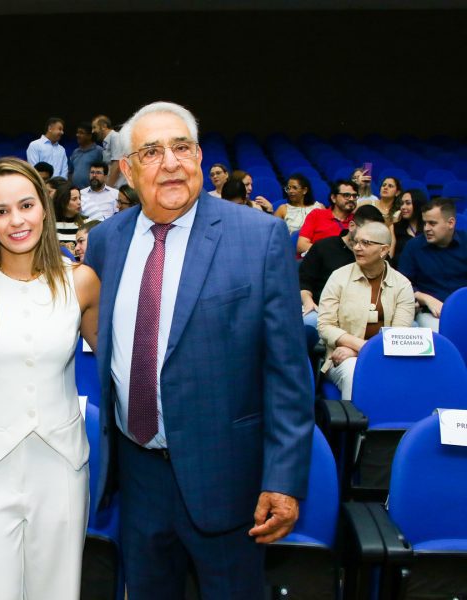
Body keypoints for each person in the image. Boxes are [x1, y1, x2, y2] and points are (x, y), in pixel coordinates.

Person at [84, 101, 312, 599]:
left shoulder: (259, 237)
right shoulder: (106, 241)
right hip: (138, 474)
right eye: (151, 151)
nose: (170, 162)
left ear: (200, 156)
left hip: (228, 478)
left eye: (181, 147)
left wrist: (283, 479)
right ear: (127, 171)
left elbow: (288, 374)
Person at [0, 157, 100, 600]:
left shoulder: (81, 282)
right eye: (1, 211)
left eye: (26, 205)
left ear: (45, 208)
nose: (16, 221)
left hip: (61, 466)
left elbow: (121, 365)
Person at [317, 222, 416, 399]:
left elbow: (398, 336)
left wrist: (360, 350)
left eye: (365, 243)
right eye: (356, 242)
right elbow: (325, 326)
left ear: (384, 250)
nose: (357, 247)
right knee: (355, 371)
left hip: (387, 357)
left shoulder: (402, 285)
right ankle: (353, 418)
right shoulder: (338, 277)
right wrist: (364, 349)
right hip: (341, 358)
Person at [299, 205, 385, 333]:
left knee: (411, 326)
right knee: (310, 321)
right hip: (324, 310)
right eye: (367, 231)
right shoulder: (323, 247)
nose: (370, 238)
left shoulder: (378, 253)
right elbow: (303, 281)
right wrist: (308, 302)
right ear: (352, 226)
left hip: (365, 313)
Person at [397, 197, 467, 331]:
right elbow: (402, 285)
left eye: (432, 223)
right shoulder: (413, 247)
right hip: (431, 313)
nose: (426, 228)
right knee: (443, 332)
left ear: (451, 223)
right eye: (424, 223)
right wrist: (424, 298)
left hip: (463, 307)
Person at [296, 179, 358, 254]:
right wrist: (331, 251)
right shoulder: (316, 214)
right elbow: (301, 246)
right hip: (318, 258)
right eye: (346, 195)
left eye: (354, 196)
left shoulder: (358, 220)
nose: (352, 199)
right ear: (333, 198)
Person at [390, 188, 427, 265]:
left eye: (408, 203)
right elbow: (390, 256)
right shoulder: (394, 227)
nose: (403, 207)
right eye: (402, 203)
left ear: (418, 204)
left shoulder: (428, 227)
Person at [68, 122, 104, 189]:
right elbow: (70, 171)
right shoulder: (75, 152)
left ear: (89, 136)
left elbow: (104, 172)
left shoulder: (99, 151)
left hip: (92, 191)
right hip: (76, 191)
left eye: (81, 133)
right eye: (77, 132)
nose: (77, 135)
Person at [92, 114, 125, 187]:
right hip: (113, 185)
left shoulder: (115, 137)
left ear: (104, 126)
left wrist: (109, 188)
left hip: (118, 187)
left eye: (94, 127)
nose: (93, 131)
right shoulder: (107, 141)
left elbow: (117, 164)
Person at [54, 183, 84, 248]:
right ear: (63, 202)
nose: (79, 202)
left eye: (79, 198)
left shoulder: (85, 223)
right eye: (74, 199)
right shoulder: (50, 224)